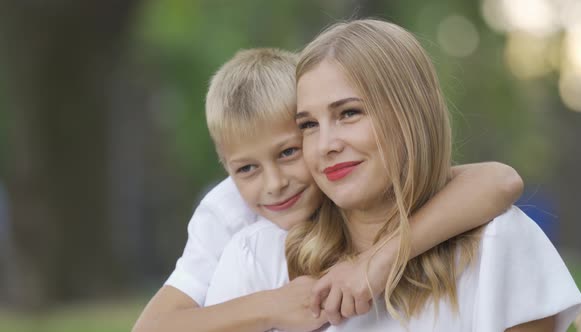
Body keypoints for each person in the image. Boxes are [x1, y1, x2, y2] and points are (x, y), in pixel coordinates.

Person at [205, 20, 581, 331]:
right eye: (308, 125)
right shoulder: (260, 257)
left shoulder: (498, 244)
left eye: (349, 113)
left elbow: (500, 180)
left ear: (409, 115)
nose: (325, 144)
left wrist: (377, 262)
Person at [133, 48, 525, 332]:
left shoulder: (354, 181)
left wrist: (375, 261)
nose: (275, 184)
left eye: (289, 152)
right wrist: (273, 306)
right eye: (247, 168)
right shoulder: (231, 214)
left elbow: (499, 180)